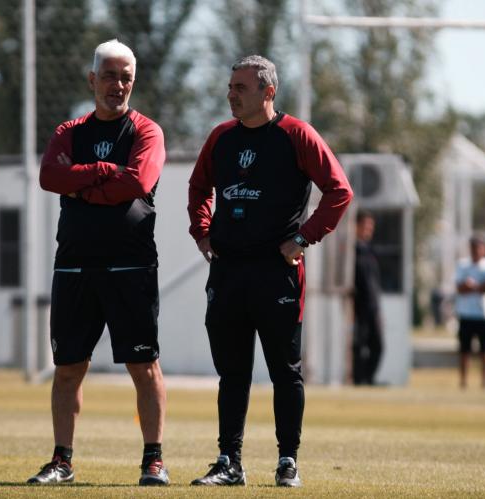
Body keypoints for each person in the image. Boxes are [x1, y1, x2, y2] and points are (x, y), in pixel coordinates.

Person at [187, 55, 353, 487]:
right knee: (233, 373)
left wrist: (303, 239)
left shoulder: (296, 135)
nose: (232, 95)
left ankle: (287, 462)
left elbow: (339, 191)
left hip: (276, 274)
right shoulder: (221, 138)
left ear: (268, 92)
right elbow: (198, 187)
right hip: (227, 273)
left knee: (285, 371)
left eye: (241, 88)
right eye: (230, 87)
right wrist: (202, 232)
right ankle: (229, 462)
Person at [30, 39, 169, 486]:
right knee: (69, 367)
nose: (118, 84)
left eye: (126, 75)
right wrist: (104, 173)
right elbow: (50, 177)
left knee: (143, 367)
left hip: (130, 266)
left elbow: (138, 181)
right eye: (109, 75)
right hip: (74, 265)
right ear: (92, 79)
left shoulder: (147, 132)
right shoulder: (68, 131)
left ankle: (153, 461)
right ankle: (62, 462)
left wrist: (84, 181)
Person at [454, 235, 485, 390]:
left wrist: (473, 287)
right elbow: (460, 288)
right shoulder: (462, 265)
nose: (475, 251)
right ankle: (463, 382)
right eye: (472, 248)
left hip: (484, 314)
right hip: (466, 314)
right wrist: (480, 287)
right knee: (464, 350)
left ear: (484, 249)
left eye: (478, 248)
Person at [352, 210, 384, 386]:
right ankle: (359, 379)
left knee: (378, 346)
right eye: (365, 225)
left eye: (371, 226)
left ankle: (368, 378)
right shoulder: (352, 251)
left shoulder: (370, 251)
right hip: (358, 307)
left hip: (373, 307)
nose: (368, 229)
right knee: (358, 346)